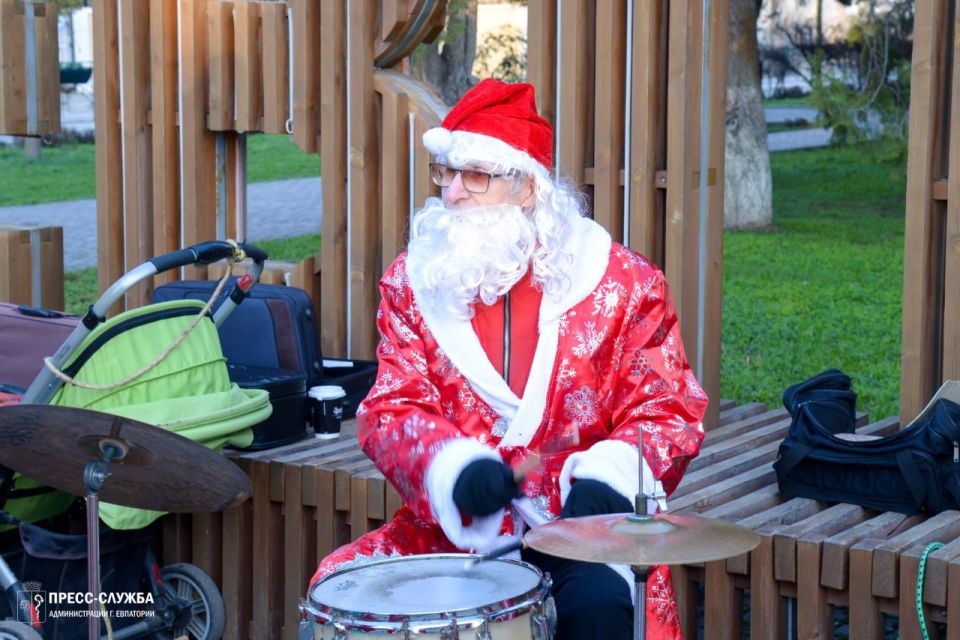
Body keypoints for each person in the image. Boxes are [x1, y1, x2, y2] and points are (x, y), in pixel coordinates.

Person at [309, 79, 707, 639]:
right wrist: (452, 468)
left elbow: (668, 408)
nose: (451, 195)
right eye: (445, 172)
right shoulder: (412, 282)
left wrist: (608, 481)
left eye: (476, 175)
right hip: (460, 532)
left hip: (582, 528)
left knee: (599, 607)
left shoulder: (624, 284)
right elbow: (391, 408)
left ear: (527, 188)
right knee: (343, 588)